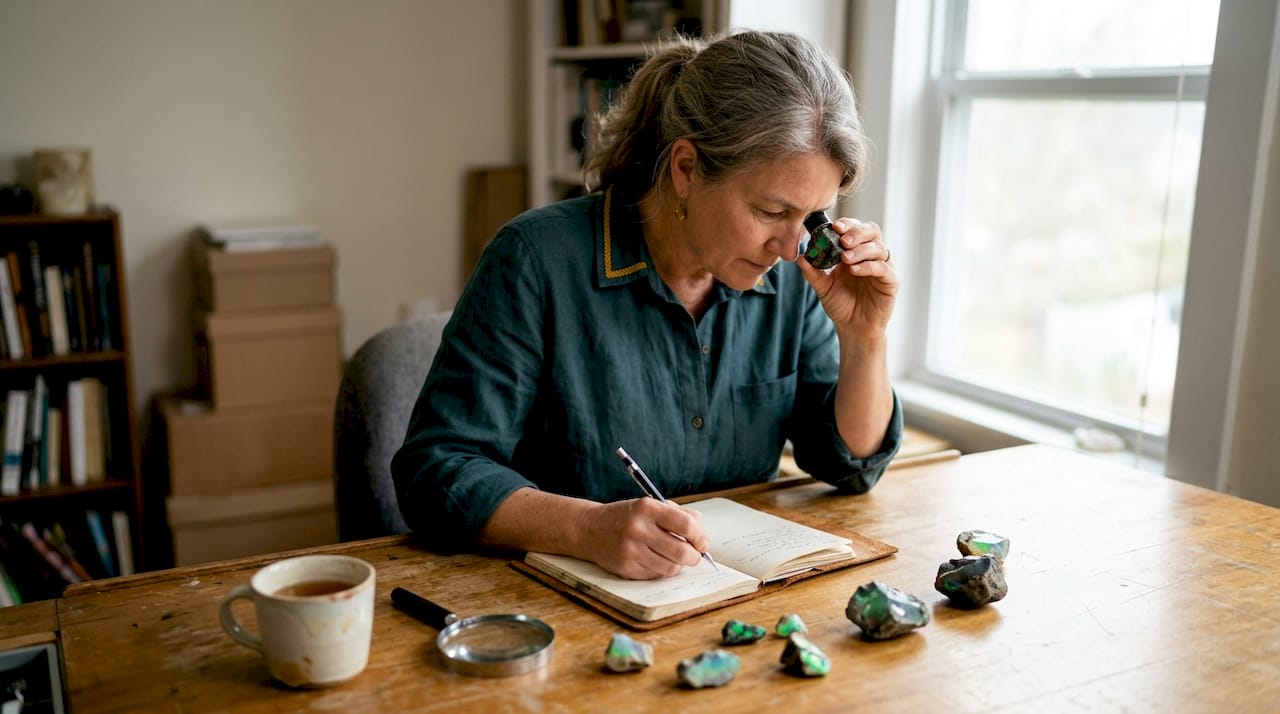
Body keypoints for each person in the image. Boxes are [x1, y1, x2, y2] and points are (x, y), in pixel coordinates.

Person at [391, 29, 902, 580]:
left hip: (733, 603)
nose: (788, 247)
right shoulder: (537, 260)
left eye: (812, 216)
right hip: (556, 605)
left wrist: (864, 337)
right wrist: (585, 529)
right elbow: (436, 469)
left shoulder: (800, 274)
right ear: (685, 168)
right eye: (770, 211)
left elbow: (849, 465)